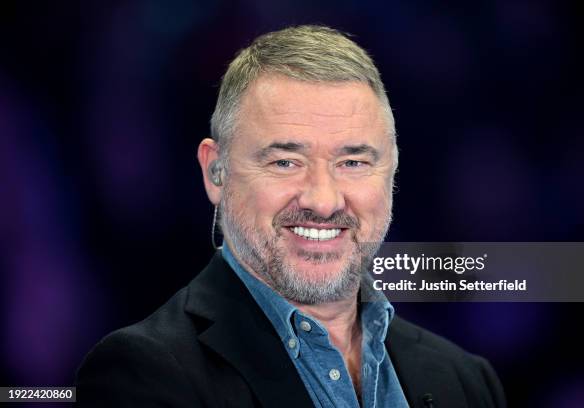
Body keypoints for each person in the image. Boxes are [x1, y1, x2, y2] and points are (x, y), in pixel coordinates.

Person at [75, 25, 506, 407]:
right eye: (286, 161)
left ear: (392, 171)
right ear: (215, 172)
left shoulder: (465, 380)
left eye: (352, 162)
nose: (323, 201)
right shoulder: (143, 375)